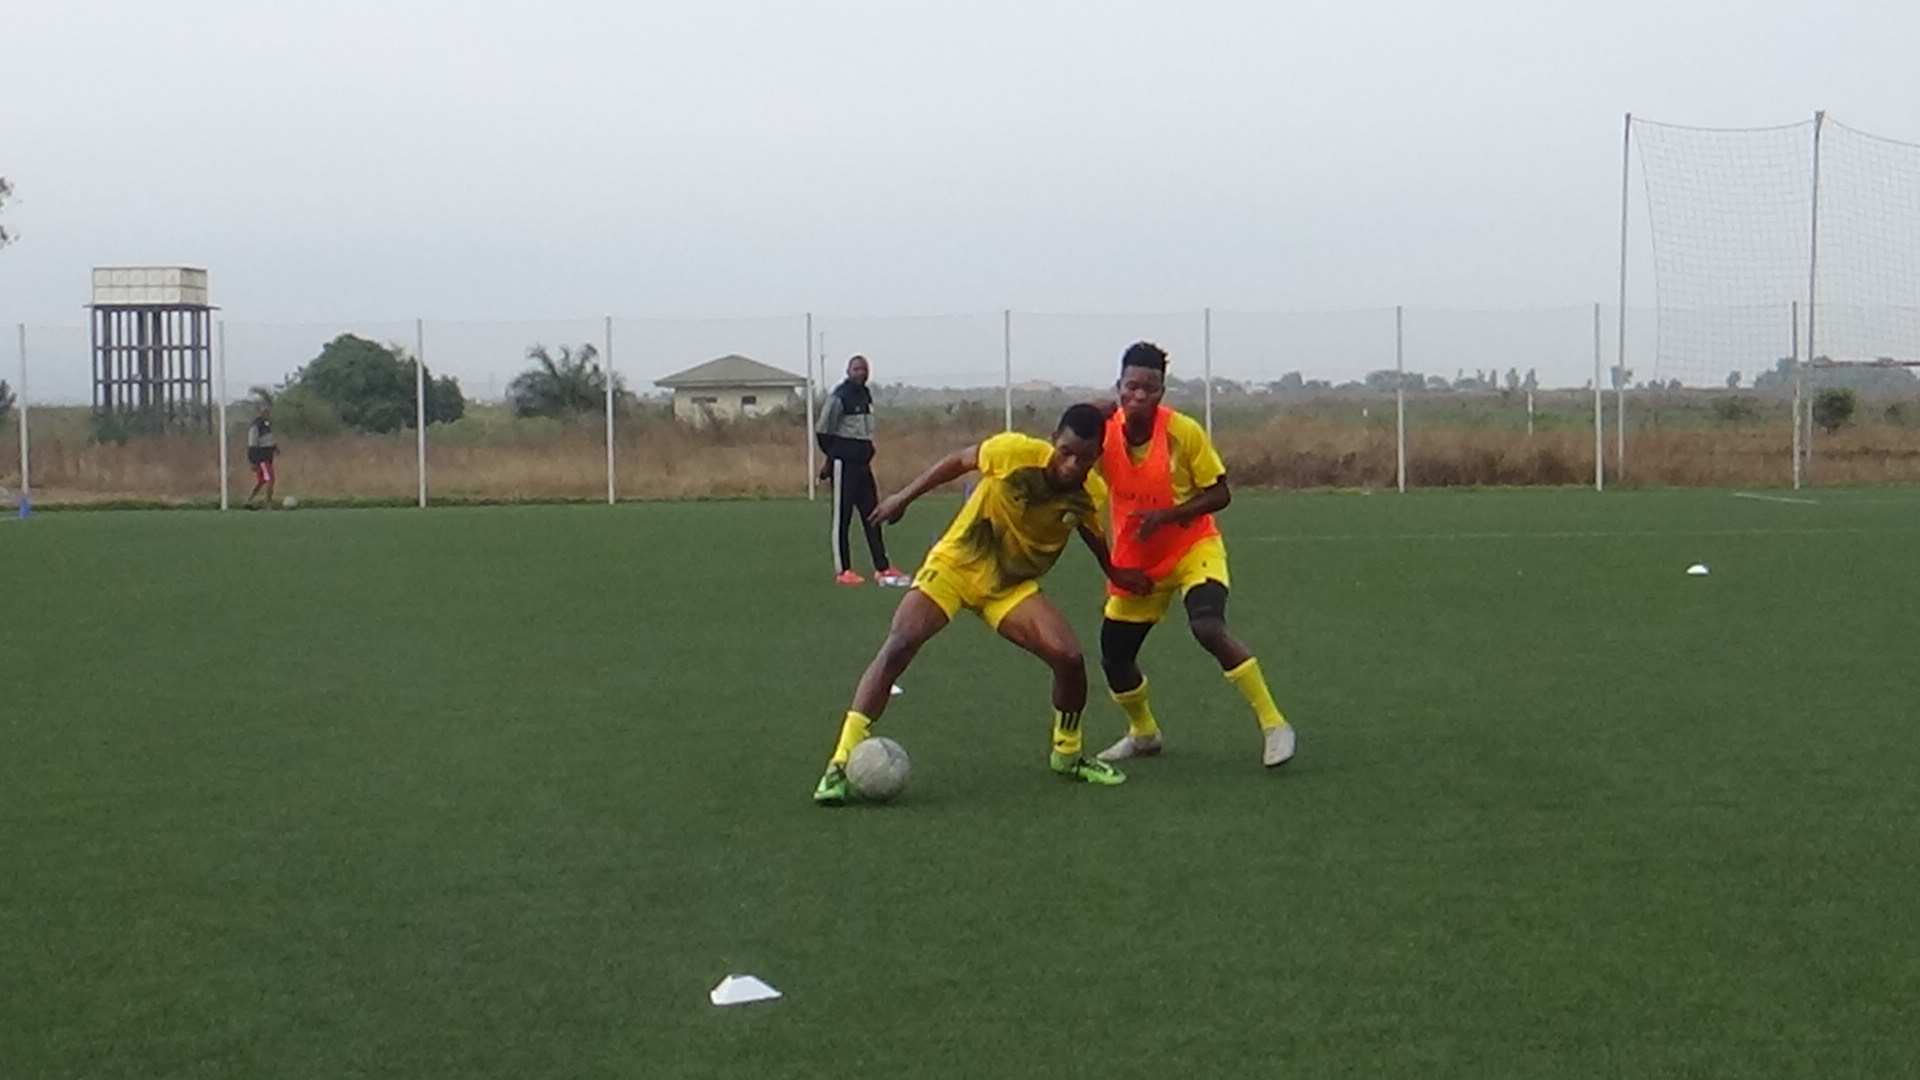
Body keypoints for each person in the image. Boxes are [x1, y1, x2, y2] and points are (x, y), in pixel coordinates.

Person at [812, 403, 1154, 804]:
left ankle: (1068, 755)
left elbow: (1091, 533)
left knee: (1069, 658)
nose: (1072, 465)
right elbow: (958, 461)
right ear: (1052, 442)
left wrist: (1115, 573)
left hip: (1010, 587)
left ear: (1097, 455)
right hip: (956, 565)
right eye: (1065, 452)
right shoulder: (1014, 453)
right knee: (900, 642)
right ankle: (839, 764)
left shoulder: (1089, 494)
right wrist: (904, 497)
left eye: (1084, 457)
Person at [1093, 342, 1297, 768]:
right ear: (1118, 387)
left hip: (1193, 548)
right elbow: (1067, 457)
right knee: (1115, 656)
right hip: (1138, 560)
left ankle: (1275, 725)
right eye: (1132, 386)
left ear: (1162, 392)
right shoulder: (1103, 431)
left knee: (1207, 626)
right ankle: (1143, 734)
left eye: (1150, 388)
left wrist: (1168, 516)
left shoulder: (1182, 432)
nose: (1140, 395)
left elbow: (1220, 493)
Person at [816, 355, 908, 586]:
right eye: (856, 369)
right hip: (844, 464)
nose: (861, 373)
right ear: (848, 371)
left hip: (863, 464)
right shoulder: (840, 396)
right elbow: (823, 430)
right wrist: (835, 455)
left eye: (864, 369)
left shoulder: (865, 395)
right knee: (843, 518)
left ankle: (882, 568)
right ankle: (844, 570)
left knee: (873, 515)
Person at [243, 403, 279, 509]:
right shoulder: (256, 426)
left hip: (267, 457)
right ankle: (268, 503)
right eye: (264, 412)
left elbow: (268, 440)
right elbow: (252, 444)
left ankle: (249, 500)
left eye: (268, 412)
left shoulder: (266, 425)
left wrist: (274, 448)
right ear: (259, 413)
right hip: (262, 458)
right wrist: (253, 461)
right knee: (270, 479)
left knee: (262, 481)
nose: (267, 414)